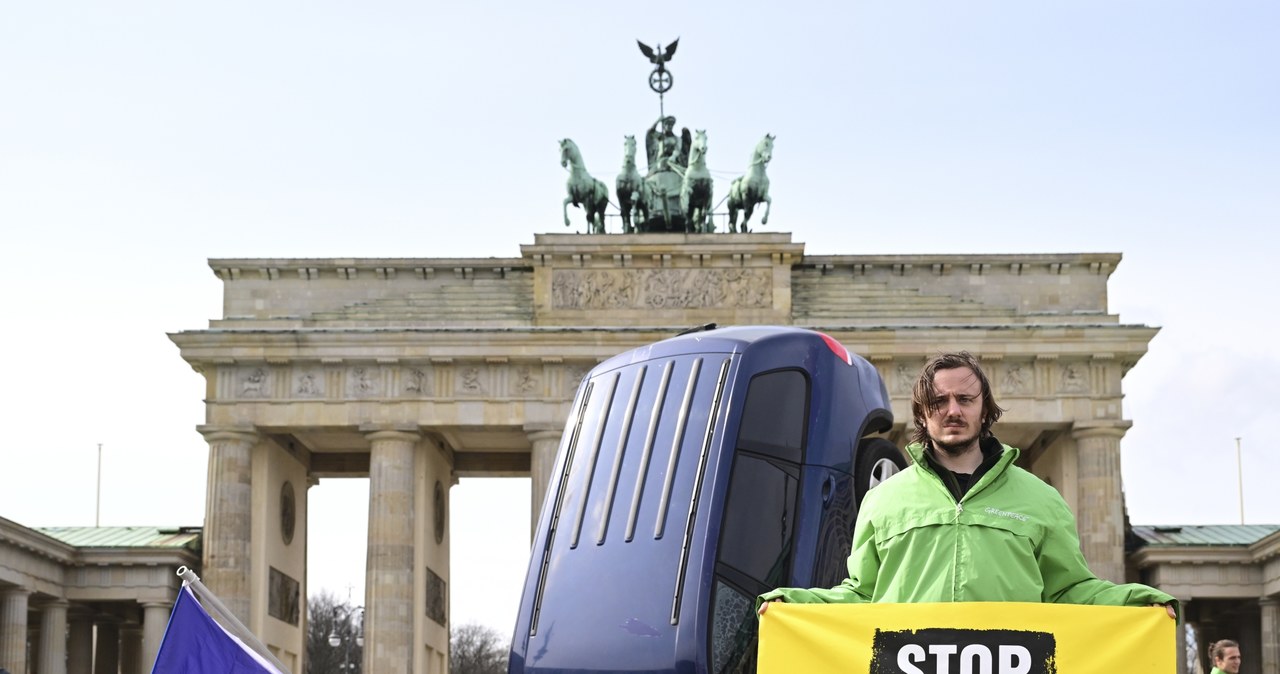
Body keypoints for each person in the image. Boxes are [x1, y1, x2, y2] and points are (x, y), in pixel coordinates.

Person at [758, 351, 1178, 620]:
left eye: (965, 399)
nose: (952, 411)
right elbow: (862, 593)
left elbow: (1070, 589)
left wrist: (1135, 601)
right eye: (938, 402)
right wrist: (795, 605)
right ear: (922, 415)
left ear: (985, 408)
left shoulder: (1041, 500)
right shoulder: (883, 500)